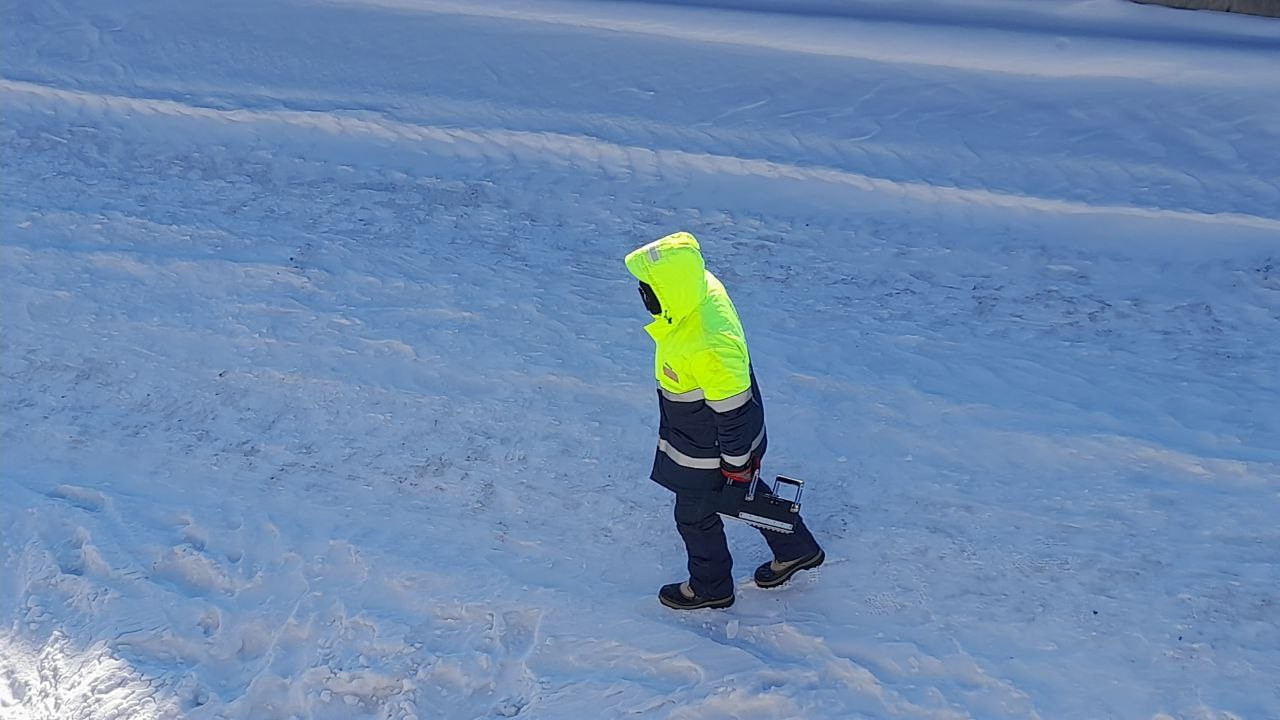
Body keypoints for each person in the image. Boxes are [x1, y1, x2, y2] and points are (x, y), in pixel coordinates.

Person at [624, 231, 824, 610]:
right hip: (710, 437)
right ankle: (797, 548)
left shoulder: (708, 343)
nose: (643, 295)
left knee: (694, 516)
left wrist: (736, 463)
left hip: (709, 447)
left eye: (648, 288)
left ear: (671, 289)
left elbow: (733, 412)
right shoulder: (699, 291)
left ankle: (710, 587)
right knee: (741, 494)